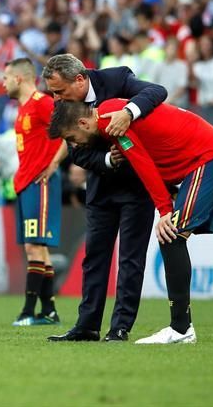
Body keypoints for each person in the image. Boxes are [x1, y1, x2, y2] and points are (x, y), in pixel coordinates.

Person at [49, 99, 213, 344]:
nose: (74, 145)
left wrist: (164, 210)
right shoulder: (111, 111)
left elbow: (143, 164)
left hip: (212, 159)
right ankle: (181, 327)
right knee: (172, 236)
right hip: (212, 159)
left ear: (83, 123)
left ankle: (181, 328)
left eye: (72, 138)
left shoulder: (112, 123)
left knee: (171, 235)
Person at [42, 54, 167, 342]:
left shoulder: (117, 79)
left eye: (59, 91)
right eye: (52, 92)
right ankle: (87, 326)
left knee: (130, 260)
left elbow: (157, 91)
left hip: (137, 186)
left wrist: (129, 113)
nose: (56, 98)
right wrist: (107, 160)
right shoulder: (63, 104)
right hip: (101, 189)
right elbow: (76, 152)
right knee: (94, 259)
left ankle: (120, 327)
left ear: (79, 79)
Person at [2, 58, 67, 326]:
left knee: (34, 246)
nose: (3, 83)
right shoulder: (23, 108)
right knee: (38, 248)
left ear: (19, 78)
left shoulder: (43, 103)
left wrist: (54, 164)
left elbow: (69, 131)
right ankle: (49, 311)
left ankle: (28, 311)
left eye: (6, 77)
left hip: (41, 182)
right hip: (26, 182)